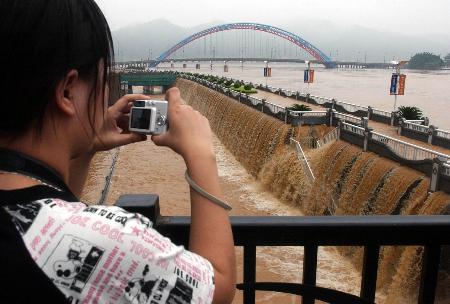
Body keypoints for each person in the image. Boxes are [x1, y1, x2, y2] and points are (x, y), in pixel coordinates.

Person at [0, 1, 236, 303]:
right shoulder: (109, 241)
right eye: (103, 77)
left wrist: (88, 144)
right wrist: (202, 154)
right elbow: (217, 287)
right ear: (68, 91)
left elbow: (51, 211)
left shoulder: (38, 223)